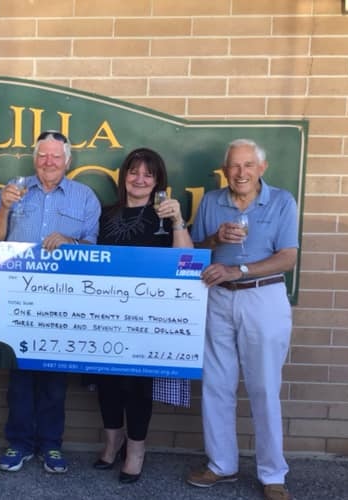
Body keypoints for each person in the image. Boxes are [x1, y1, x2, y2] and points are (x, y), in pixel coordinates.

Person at [186, 139, 298, 500]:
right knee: (217, 385)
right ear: (225, 169)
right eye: (234, 166)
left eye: (248, 165)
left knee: (264, 387)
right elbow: (196, 251)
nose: (241, 173)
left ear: (262, 168)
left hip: (262, 297)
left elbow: (287, 258)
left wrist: (240, 270)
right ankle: (221, 464)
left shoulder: (281, 201)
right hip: (218, 298)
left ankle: (272, 474)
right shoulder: (211, 202)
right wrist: (215, 238)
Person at [0, 130, 101, 474]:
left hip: (63, 301)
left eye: (55, 156)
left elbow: (95, 250)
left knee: (54, 377)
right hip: (18, 298)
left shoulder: (85, 197)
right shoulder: (13, 189)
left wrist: (70, 240)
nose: (48, 161)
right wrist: (5, 208)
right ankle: (19, 444)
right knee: (19, 377)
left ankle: (51, 445)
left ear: (68, 161)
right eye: (42, 155)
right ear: (34, 159)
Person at [91, 147, 193, 484]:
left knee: (136, 385)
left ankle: (136, 450)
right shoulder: (105, 214)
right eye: (134, 172)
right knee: (106, 381)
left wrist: (178, 220)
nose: (140, 179)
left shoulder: (166, 216)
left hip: (147, 318)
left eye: (148, 174)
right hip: (104, 316)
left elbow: (186, 262)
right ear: (124, 177)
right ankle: (112, 442)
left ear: (158, 181)